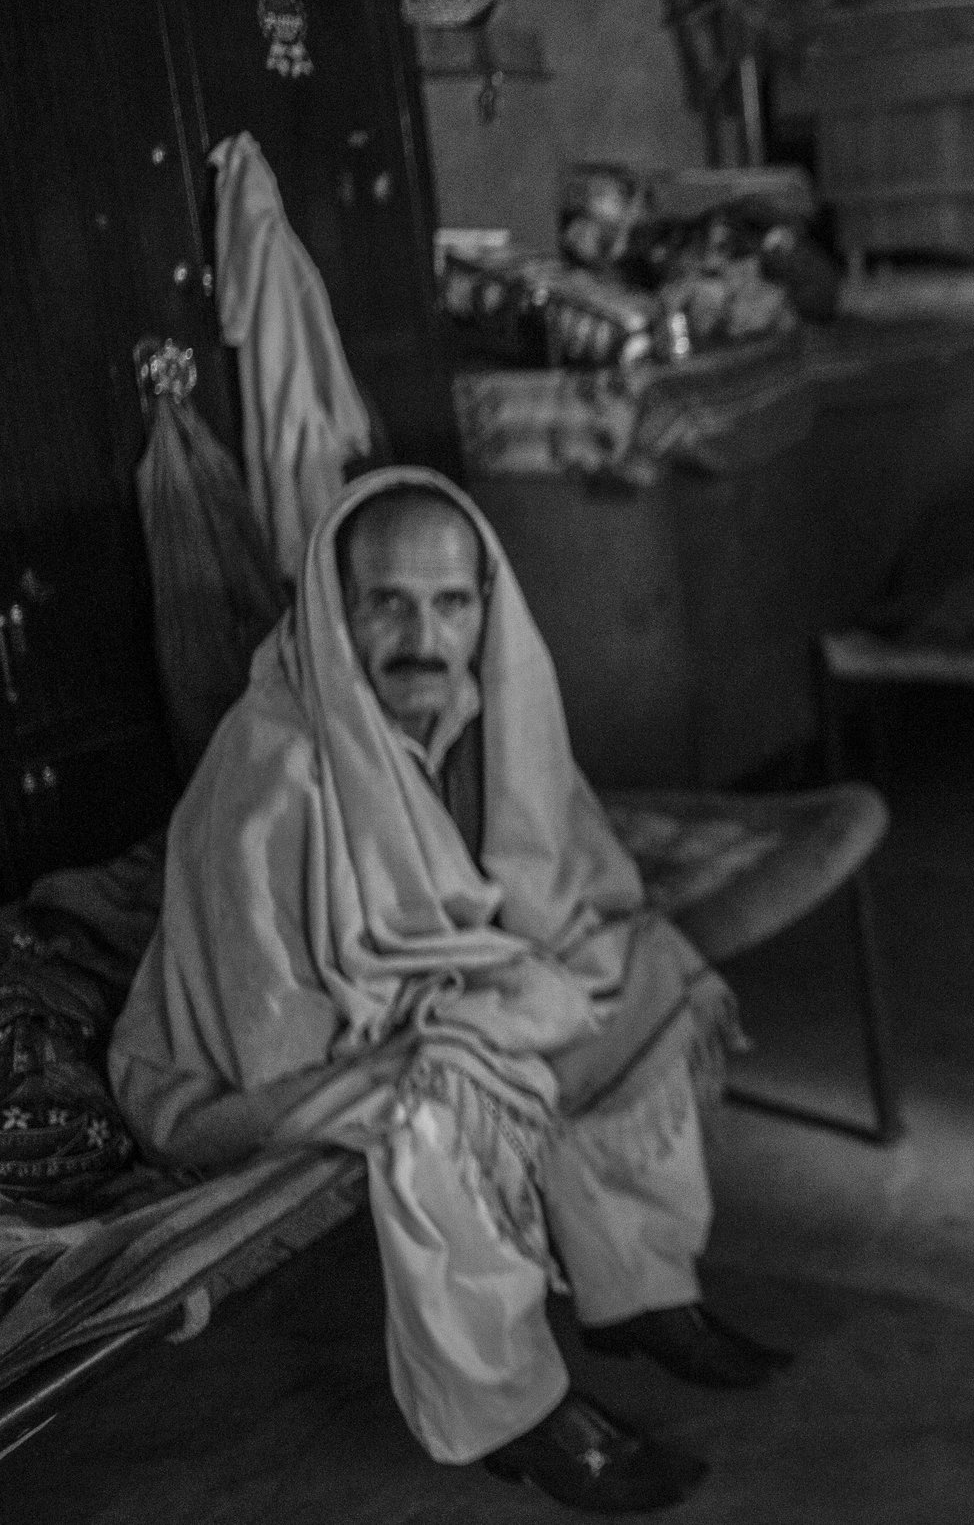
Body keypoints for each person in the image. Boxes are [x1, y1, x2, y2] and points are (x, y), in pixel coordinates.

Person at [112, 468, 788, 1515]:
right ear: (336, 608)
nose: (424, 635)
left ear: (486, 606)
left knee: (643, 970)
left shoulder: (482, 710)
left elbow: (560, 883)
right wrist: (464, 1010)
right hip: (259, 1067)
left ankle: (639, 1289)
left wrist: (516, 978)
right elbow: (268, 1023)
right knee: (444, 1099)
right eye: (387, 600)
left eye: (451, 601)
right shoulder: (273, 765)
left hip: (434, 996)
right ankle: (515, 1411)